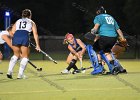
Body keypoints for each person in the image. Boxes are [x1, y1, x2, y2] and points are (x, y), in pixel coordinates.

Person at [90, 6, 126, 74]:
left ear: (98, 12)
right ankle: (113, 68)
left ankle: (100, 66)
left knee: (95, 48)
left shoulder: (98, 17)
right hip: (113, 38)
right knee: (107, 52)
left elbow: (96, 26)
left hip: (104, 37)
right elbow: (118, 29)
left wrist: (93, 31)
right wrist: (123, 38)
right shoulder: (111, 17)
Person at [7, 9, 41, 79]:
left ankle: (9, 71)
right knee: (25, 57)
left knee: (16, 55)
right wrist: (37, 45)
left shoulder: (18, 21)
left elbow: (12, 31)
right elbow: (35, 34)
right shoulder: (31, 22)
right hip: (25, 36)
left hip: (16, 36)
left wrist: (17, 37)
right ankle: (20, 75)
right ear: (30, 15)